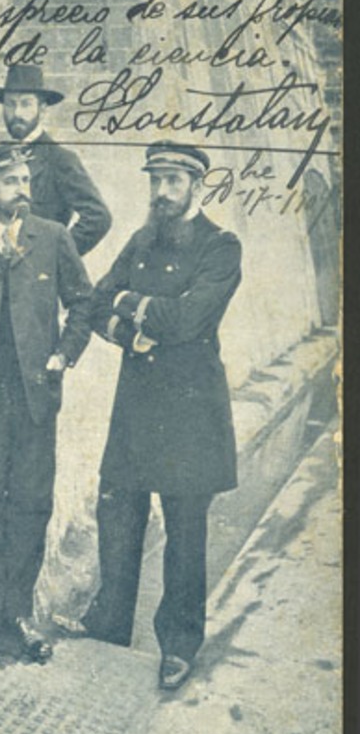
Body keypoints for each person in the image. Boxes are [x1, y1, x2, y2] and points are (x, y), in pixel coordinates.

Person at [81, 141, 242, 691]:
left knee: (185, 530)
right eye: (156, 181)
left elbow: (187, 318)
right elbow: (97, 302)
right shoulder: (140, 239)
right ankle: (109, 628)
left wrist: (134, 303)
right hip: (137, 404)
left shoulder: (221, 247)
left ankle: (178, 644)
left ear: (198, 186)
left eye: (174, 182)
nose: (163, 193)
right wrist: (132, 328)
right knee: (119, 517)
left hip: (191, 410)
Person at [0, 143, 93, 667]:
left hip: (35, 395)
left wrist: (63, 354)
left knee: (31, 504)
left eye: (26, 179)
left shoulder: (51, 237)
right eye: (11, 181)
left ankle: (20, 614)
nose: (22, 190)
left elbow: (83, 302)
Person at [0, 64, 111, 256]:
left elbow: (98, 217)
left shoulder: (59, 159)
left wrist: (55, 256)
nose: (17, 113)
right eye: (10, 104)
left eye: (26, 104)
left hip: (38, 279)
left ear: (42, 110)